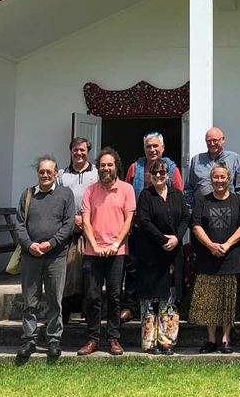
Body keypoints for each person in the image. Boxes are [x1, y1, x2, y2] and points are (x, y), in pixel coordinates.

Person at [77, 148, 135, 356]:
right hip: (93, 252)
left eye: (109, 164)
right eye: (102, 165)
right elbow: (85, 221)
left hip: (117, 251)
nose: (106, 168)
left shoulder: (127, 190)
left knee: (114, 295)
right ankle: (93, 339)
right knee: (92, 296)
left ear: (116, 166)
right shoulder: (90, 191)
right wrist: (95, 245)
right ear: (98, 168)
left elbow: (128, 220)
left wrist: (115, 244)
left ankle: (113, 338)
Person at [16, 155, 75, 360]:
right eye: (42, 171)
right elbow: (20, 224)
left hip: (56, 256)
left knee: (54, 300)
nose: (45, 175)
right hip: (31, 256)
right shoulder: (28, 195)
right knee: (29, 300)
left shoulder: (65, 195)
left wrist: (51, 243)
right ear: (37, 173)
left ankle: (53, 340)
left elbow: (68, 224)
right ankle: (29, 339)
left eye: (49, 171)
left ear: (56, 173)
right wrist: (30, 244)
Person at [122, 132, 184, 322]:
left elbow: (180, 200)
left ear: (163, 148)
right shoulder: (135, 168)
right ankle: (130, 306)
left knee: (166, 274)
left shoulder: (172, 170)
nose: (152, 149)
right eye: (149, 146)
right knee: (134, 268)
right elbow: (126, 195)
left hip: (166, 232)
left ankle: (168, 311)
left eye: (156, 146)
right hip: (140, 228)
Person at [190, 164, 240, 353]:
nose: (220, 181)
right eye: (216, 177)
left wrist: (227, 244)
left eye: (223, 177)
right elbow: (196, 224)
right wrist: (210, 245)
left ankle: (225, 339)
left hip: (230, 256)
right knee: (209, 300)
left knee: (227, 300)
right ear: (211, 179)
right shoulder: (202, 200)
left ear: (229, 179)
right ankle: (211, 339)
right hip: (208, 256)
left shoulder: (238, 201)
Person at [133, 157, 186, 355]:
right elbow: (144, 221)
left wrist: (177, 238)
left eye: (162, 172)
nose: (158, 176)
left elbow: (186, 217)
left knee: (169, 299)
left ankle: (167, 341)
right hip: (151, 254)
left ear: (168, 175)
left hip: (173, 255)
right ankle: (150, 342)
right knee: (150, 299)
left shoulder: (177, 195)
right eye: (154, 172)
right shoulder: (145, 196)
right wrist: (163, 239)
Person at [58, 137, 98, 321]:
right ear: (71, 151)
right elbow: (57, 201)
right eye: (75, 150)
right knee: (67, 273)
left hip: (91, 231)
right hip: (68, 231)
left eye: (82, 150)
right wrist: (71, 219)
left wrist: (86, 219)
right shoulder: (62, 175)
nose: (79, 153)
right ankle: (64, 315)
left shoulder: (97, 174)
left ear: (88, 151)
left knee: (88, 274)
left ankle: (88, 313)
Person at [183, 127, 240, 212]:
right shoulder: (196, 160)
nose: (212, 144)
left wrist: (239, 211)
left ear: (223, 140)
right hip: (201, 211)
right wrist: (191, 211)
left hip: (227, 210)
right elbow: (188, 189)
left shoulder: (234, 158)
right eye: (208, 141)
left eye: (215, 140)